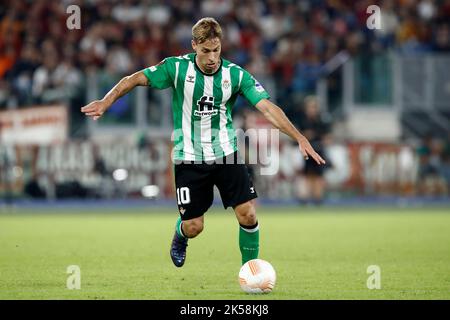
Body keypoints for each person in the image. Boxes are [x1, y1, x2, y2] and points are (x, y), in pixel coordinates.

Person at [81, 18, 325, 268]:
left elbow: (267, 108)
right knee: (195, 226)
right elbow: (132, 79)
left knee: (248, 213)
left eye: (216, 50)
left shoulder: (235, 75)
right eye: (205, 51)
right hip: (189, 158)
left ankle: (250, 270)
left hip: (226, 153)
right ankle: (181, 233)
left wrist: (299, 137)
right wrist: (105, 101)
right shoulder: (176, 68)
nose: (211, 57)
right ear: (194, 45)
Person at [297, 96, 332, 205]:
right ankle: (305, 198)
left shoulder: (322, 120)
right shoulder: (302, 121)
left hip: (319, 150)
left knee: (318, 176)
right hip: (307, 151)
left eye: (314, 107)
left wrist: (323, 140)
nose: (312, 110)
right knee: (307, 175)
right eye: (310, 107)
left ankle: (318, 199)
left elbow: (328, 137)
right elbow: (298, 135)